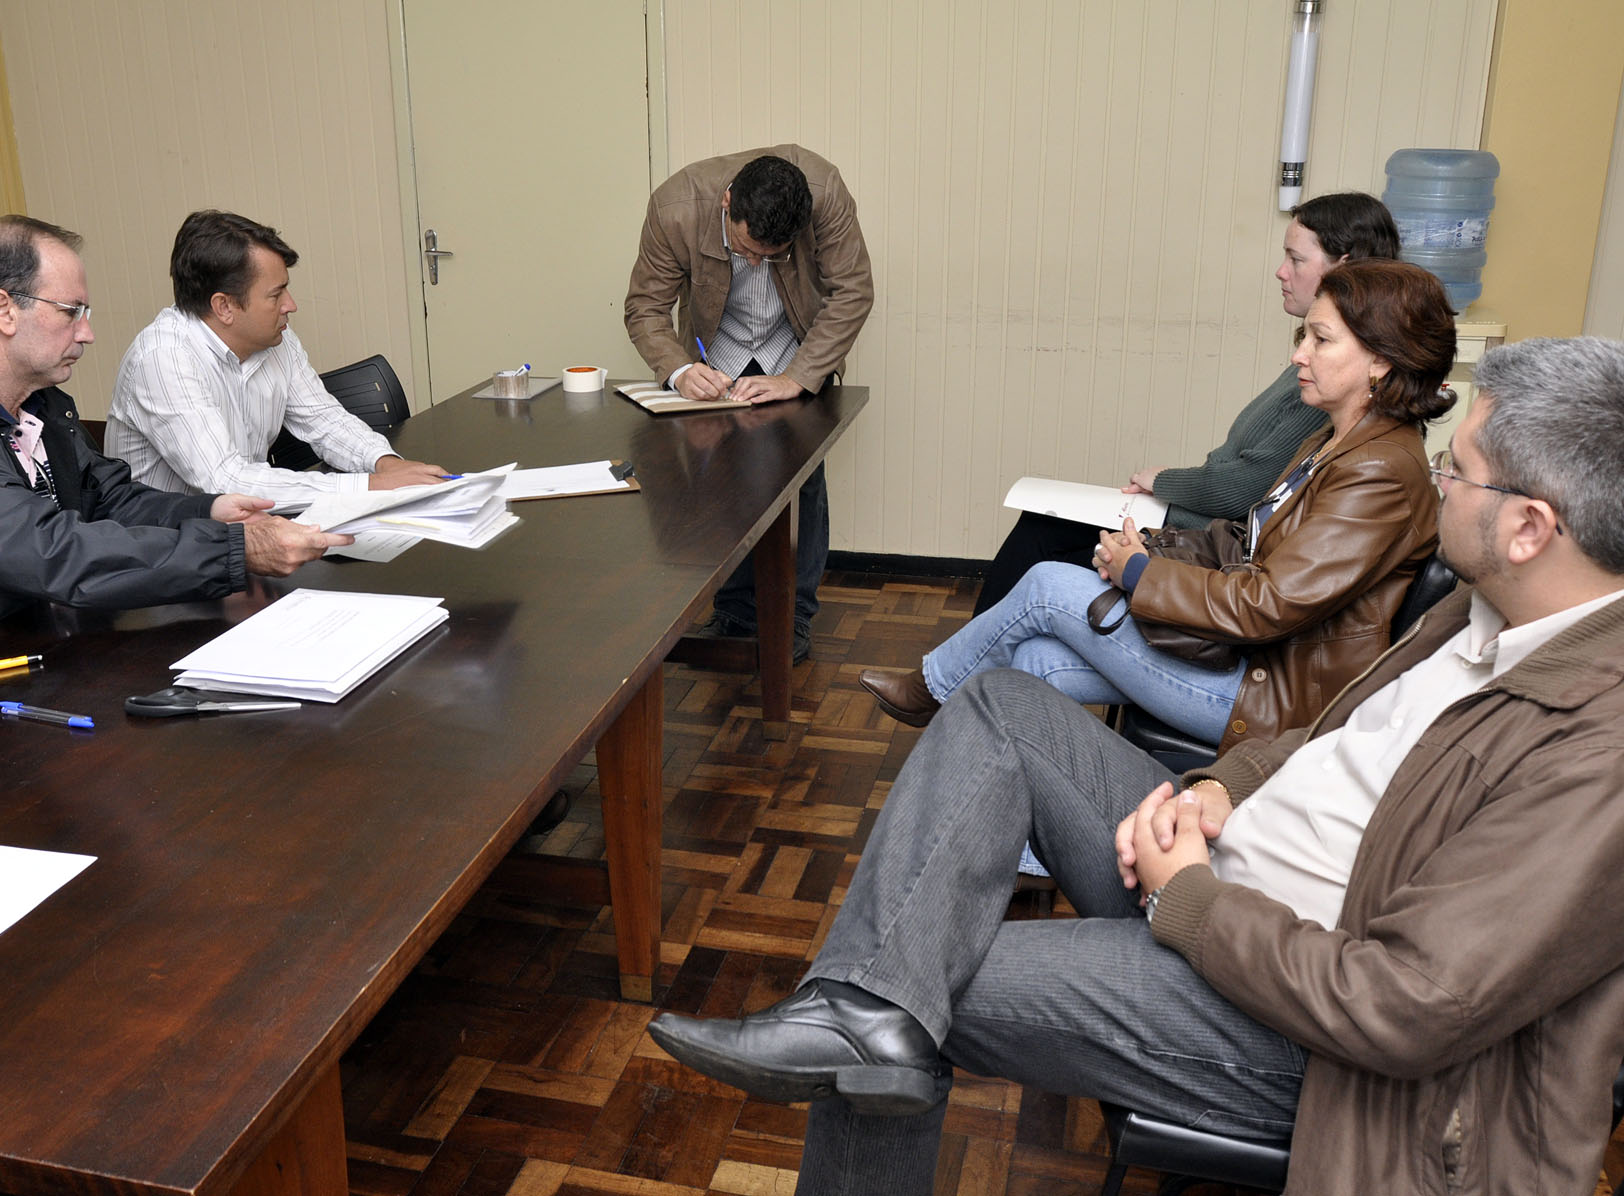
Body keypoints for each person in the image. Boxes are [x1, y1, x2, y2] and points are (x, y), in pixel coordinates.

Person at [649, 335, 1624, 1195]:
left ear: (1532, 525)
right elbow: (1330, 737)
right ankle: (867, 1013)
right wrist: (1219, 787)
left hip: (1307, 1032)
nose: (1437, 484)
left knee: (907, 987)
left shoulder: (1598, 751)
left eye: (1458, 472)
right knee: (998, 703)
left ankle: (869, 1016)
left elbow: (1405, 1008)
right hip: (1218, 874)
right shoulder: (1486, 607)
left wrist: (1190, 896)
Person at [861, 259, 1454, 756]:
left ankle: (932, 687)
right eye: (1306, 336)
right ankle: (1029, 856)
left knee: (1044, 583)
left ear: (1381, 360)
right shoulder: (1337, 439)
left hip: (1273, 695)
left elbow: (1269, 605)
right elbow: (1245, 541)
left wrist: (1141, 573)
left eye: (1320, 340)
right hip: (1248, 662)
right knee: (1035, 663)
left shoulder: (1381, 471)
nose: (1300, 354)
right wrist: (1149, 548)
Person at [0, 215, 349, 701]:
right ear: (3, 309)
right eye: (71, 312)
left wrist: (209, 512)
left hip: (23, 649)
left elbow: (106, 497)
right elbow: (46, 550)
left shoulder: (39, 400)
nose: (87, 332)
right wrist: (234, 550)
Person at [972, 192, 1401, 618]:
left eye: (1296, 259)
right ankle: (968, 674)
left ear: (1342, 267)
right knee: (1042, 529)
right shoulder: (1315, 362)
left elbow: (1246, 489)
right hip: (1207, 526)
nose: (1281, 272)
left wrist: (1164, 481)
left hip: (1216, 541)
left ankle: (955, 677)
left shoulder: (1336, 378)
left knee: (1041, 538)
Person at [625, 147, 875, 662]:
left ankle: (794, 616)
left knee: (801, 475)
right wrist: (677, 369)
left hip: (794, 343)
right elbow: (646, 306)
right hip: (717, 348)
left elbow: (852, 291)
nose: (757, 262)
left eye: (773, 253)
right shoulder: (675, 207)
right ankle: (735, 610)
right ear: (727, 202)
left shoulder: (825, 193)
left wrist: (799, 377)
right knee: (718, 476)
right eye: (747, 249)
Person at [107, 209, 449, 503]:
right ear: (224, 306)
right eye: (276, 294)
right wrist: (370, 486)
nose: (291, 305)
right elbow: (226, 481)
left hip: (239, 532)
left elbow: (323, 420)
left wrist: (384, 462)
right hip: (166, 554)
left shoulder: (274, 338)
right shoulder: (163, 359)